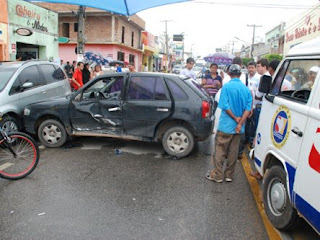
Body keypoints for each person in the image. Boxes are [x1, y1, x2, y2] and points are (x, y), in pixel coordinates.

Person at [206, 64, 252, 183]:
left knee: (220, 149)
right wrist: (240, 122)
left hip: (226, 125)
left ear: (229, 74)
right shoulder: (246, 89)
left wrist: (235, 118)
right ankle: (229, 175)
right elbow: (248, 109)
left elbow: (224, 106)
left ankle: (217, 175)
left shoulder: (226, 88)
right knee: (233, 151)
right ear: (240, 74)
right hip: (239, 128)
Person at [249, 58, 270, 180]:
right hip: (261, 107)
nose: (257, 69)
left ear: (265, 67)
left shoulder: (265, 78)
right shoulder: (266, 77)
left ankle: (258, 171)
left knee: (259, 135)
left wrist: (253, 94)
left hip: (261, 108)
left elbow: (258, 95)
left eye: (259, 66)